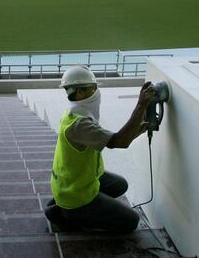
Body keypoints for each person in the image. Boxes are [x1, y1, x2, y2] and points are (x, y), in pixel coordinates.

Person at [44, 66, 155, 234]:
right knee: (131, 222)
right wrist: (141, 105)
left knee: (120, 185)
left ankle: (65, 206)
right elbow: (120, 142)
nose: (97, 92)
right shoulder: (80, 123)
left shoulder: (74, 113)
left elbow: (115, 138)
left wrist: (136, 131)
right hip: (76, 194)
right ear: (80, 93)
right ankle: (68, 214)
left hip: (72, 183)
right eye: (93, 88)